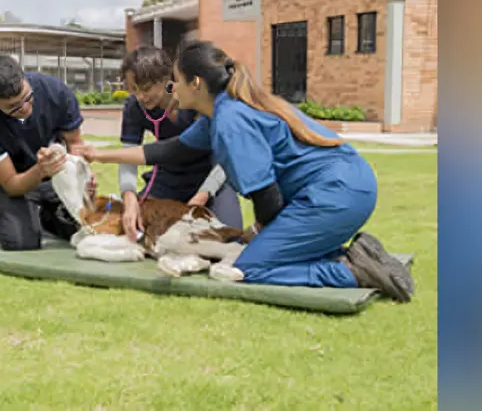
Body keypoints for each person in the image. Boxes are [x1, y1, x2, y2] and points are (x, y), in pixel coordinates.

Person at [72, 41, 414, 302]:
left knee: (244, 268)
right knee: (255, 253)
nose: (171, 89)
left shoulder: (231, 121)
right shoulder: (221, 112)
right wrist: (100, 155)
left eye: (175, 81)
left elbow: (267, 197)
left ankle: (352, 271)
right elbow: (169, 150)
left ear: (196, 84)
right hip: (345, 187)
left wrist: (257, 231)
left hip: (335, 195)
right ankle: (359, 253)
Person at [114, 45, 244, 239]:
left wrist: (203, 194)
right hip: (169, 178)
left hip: (212, 175)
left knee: (229, 238)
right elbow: (129, 157)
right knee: (133, 228)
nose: (141, 96)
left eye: (146, 88)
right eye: (133, 90)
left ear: (167, 79)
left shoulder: (196, 99)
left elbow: (225, 158)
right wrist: (129, 197)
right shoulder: (135, 107)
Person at [0, 54, 95, 251]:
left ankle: (44, 215)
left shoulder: (56, 91)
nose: (25, 108)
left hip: (56, 177)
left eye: (28, 97)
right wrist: (40, 171)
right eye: (14, 107)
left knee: (88, 229)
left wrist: (82, 176)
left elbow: (75, 144)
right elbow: (11, 184)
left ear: (24, 79)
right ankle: (0, 215)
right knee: (20, 242)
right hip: (14, 183)